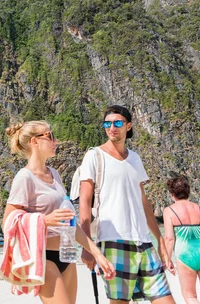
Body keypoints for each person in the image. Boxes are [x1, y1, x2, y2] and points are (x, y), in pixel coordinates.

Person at [3, 121, 115, 303]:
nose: (56, 140)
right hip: (45, 257)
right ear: (35, 142)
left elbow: (69, 222)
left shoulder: (54, 174)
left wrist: (97, 254)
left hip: (67, 254)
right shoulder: (24, 177)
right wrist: (44, 221)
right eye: (50, 136)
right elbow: (8, 222)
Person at [80, 105, 174, 304]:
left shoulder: (135, 158)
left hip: (144, 243)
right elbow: (85, 202)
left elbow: (143, 202)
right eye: (107, 123)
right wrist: (87, 245)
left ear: (128, 126)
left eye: (117, 123)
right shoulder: (94, 156)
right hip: (114, 241)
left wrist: (160, 239)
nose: (111, 127)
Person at [163, 175, 200, 304]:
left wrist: (167, 259)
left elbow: (169, 238)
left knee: (190, 296)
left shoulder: (169, 211)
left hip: (185, 254)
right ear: (188, 191)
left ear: (172, 194)